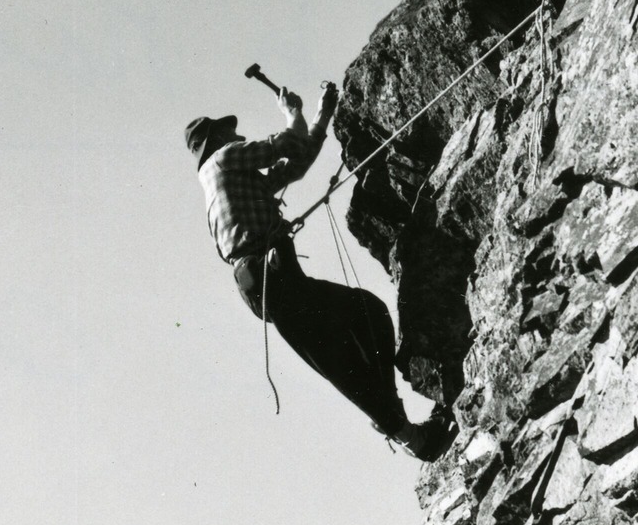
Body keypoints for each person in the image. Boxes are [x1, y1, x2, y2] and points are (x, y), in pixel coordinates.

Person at [186, 81, 450, 458]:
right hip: (272, 275)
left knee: (364, 318)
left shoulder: (233, 179)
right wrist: (292, 113)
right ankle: (410, 435)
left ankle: (394, 416)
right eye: (229, 130)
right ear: (216, 139)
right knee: (342, 351)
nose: (238, 133)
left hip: (272, 277)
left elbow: (297, 162)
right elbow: (288, 145)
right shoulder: (223, 159)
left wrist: (323, 112)